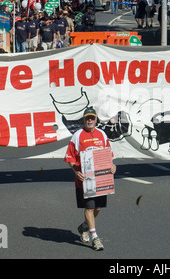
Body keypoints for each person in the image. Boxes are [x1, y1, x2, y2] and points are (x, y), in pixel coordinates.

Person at [64, 106, 116, 251]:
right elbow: (70, 157)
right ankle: (95, 238)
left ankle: (85, 227)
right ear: (84, 120)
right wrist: (75, 170)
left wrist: (112, 166)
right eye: (87, 118)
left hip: (100, 180)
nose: (90, 120)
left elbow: (108, 155)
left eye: (92, 118)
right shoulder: (77, 136)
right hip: (84, 181)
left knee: (98, 208)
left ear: (96, 120)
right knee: (89, 207)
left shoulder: (102, 135)